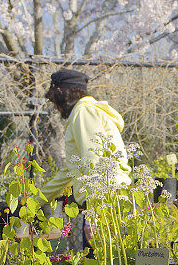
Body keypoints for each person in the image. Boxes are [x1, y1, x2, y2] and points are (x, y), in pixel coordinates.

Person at [42, 68, 130, 203]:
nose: (57, 108)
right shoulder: (89, 111)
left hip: (103, 199)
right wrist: (35, 201)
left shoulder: (83, 113)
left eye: (55, 102)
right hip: (111, 195)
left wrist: (95, 201)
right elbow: (72, 170)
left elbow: (92, 159)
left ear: (62, 94)